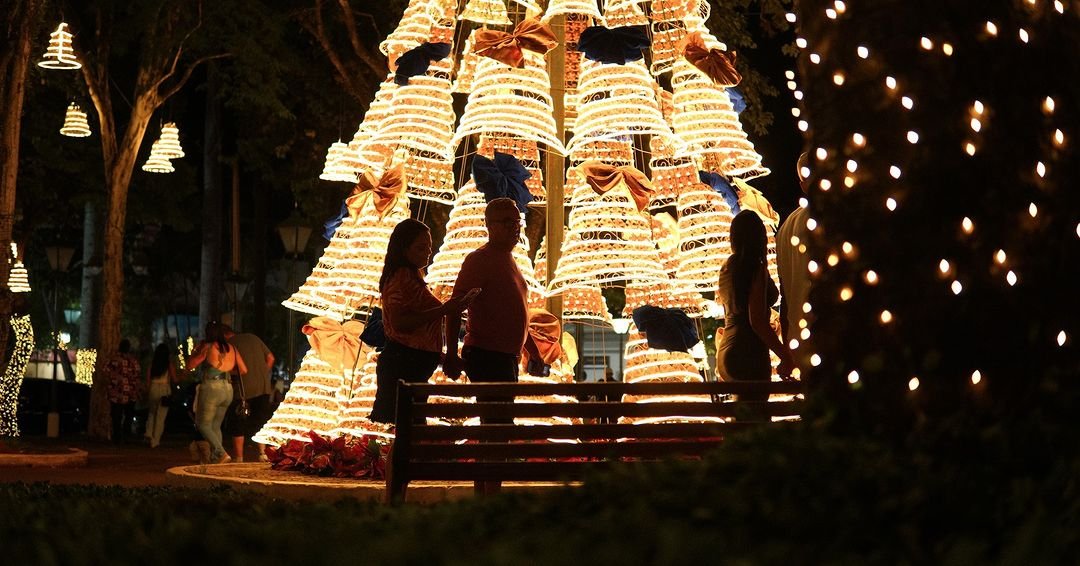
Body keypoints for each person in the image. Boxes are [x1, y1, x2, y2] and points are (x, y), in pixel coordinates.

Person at [443, 198, 530, 494]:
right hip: (488, 355)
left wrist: (533, 348)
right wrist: (451, 354)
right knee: (496, 429)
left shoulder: (509, 261)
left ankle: (486, 492)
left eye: (516, 222)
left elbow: (517, 309)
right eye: (506, 222)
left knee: (497, 431)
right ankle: (488, 495)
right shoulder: (480, 259)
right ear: (489, 225)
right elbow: (456, 306)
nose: (513, 228)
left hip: (506, 357)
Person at [370, 218, 474, 425]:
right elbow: (400, 323)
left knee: (410, 432)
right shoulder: (401, 277)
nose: (428, 252)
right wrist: (443, 310)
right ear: (404, 249)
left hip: (411, 365)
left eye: (429, 246)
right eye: (420, 247)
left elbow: (417, 335)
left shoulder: (413, 276)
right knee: (409, 432)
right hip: (403, 367)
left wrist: (443, 358)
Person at [716, 210, 796, 417]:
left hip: (727, 351)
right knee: (756, 419)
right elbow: (757, 321)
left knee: (741, 418)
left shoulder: (727, 267)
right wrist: (785, 356)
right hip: (748, 352)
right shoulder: (754, 268)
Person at [187, 321, 248, 464]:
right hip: (228, 389)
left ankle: (220, 453)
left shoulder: (207, 347)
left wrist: (196, 352)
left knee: (202, 425)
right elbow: (244, 370)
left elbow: (190, 365)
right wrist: (225, 372)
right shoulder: (232, 348)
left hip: (211, 387)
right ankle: (216, 459)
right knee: (215, 426)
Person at [776, 152, 813, 371]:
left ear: (802, 184)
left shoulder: (785, 228)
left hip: (799, 336)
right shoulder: (827, 218)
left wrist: (787, 350)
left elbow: (785, 296)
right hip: (828, 332)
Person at [223, 325, 275, 462]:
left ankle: (239, 457)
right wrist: (264, 373)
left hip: (242, 389)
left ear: (224, 335)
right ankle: (262, 453)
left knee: (238, 421)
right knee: (261, 420)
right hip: (263, 386)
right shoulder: (254, 338)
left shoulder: (230, 344)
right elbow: (271, 358)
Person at [104, 338, 142, 443]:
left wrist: (114, 380)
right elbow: (137, 376)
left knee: (116, 415)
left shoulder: (113, 359)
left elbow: (106, 372)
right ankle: (126, 433)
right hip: (130, 392)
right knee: (129, 414)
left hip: (116, 392)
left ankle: (117, 435)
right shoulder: (133, 361)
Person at [143, 343, 177, 448]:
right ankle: (155, 440)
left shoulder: (152, 364)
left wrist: (146, 391)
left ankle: (148, 433)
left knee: (152, 413)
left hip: (153, 388)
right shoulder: (168, 365)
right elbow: (175, 379)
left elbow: (148, 381)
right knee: (160, 416)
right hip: (164, 390)